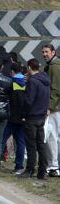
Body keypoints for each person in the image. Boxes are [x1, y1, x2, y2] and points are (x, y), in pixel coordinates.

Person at [20, 59, 50, 179]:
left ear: (29, 68)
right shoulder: (45, 79)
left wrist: (23, 114)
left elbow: (29, 100)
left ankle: (30, 170)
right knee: (41, 144)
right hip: (42, 115)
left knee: (31, 145)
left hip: (32, 116)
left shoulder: (32, 81)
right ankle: (42, 171)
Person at [2, 63, 26, 175]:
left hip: (11, 118)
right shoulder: (27, 82)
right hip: (23, 118)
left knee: (1, 140)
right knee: (21, 143)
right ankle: (19, 166)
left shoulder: (10, 83)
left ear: (12, 71)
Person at [43, 45, 60, 176]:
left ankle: (53, 165)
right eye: (43, 52)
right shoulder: (52, 64)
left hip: (55, 108)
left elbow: (55, 89)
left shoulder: (54, 66)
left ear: (53, 52)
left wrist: (50, 106)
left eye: (46, 52)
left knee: (52, 136)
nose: (44, 54)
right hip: (56, 107)